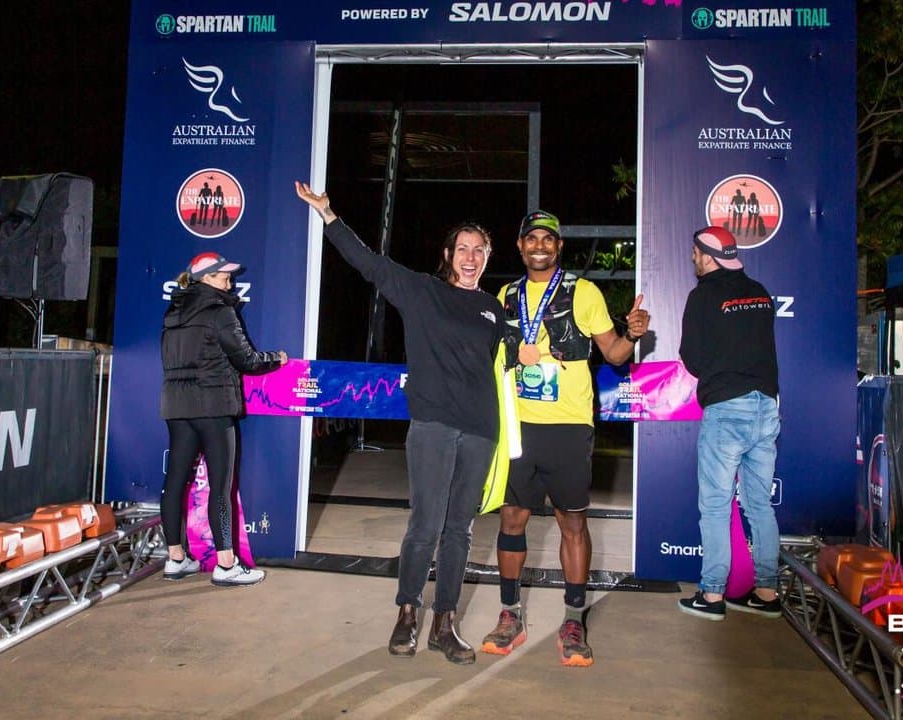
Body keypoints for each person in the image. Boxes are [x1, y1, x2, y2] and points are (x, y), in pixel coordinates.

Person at [295, 181, 503, 665]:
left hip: (481, 429)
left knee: (461, 530)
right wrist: (329, 215)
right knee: (425, 525)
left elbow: (489, 366)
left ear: (487, 258)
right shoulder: (421, 291)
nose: (471, 257)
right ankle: (407, 612)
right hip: (432, 423)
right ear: (448, 254)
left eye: (480, 251)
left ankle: (444, 624)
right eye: (463, 249)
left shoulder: (494, 309)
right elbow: (368, 263)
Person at [481, 210, 650, 667]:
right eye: (531, 238)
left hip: (570, 425)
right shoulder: (505, 295)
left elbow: (613, 353)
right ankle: (509, 614)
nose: (540, 245)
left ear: (559, 248)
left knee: (572, 522)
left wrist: (633, 335)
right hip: (519, 426)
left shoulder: (583, 291)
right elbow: (494, 356)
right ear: (520, 246)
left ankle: (574, 619)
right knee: (512, 518)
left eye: (548, 239)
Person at [159, 252, 287, 587]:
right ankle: (226, 565)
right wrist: (278, 358)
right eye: (223, 276)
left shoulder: (173, 311)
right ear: (206, 279)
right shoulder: (220, 311)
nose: (229, 280)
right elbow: (247, 360)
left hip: (177, 407)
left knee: (174, 482)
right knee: (221, 487)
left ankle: (175, 559)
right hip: (214, 408)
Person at [676, 225, 782, 621]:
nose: (692, 259)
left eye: (695, 253)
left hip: (727, 408)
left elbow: (691, 357)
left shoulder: (702, 296)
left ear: (707, 255)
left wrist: (718, 373)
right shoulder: (759, 292)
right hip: (767, 407)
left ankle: (713, 595)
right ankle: (767, 593)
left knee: (717, 505)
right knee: (759, 504)